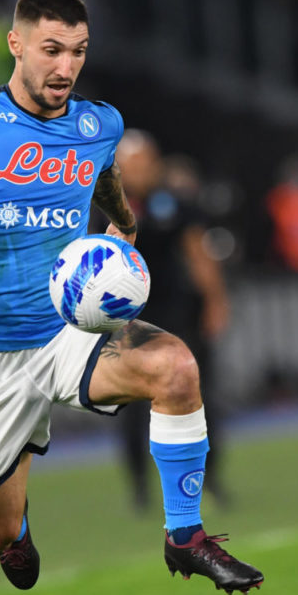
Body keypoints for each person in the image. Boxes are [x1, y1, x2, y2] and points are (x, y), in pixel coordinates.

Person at [0, 0, 262, 595]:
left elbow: (104, 169)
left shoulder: (99, 123)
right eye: (51, 50)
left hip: (65, 328)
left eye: (78, 51)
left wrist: (124, 222)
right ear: (16, 46)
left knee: (175, 368)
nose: (65, 66)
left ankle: (185, 537)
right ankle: (13, 532)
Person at [112, 130, 231, 513]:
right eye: (133, 165)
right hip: (128, 323)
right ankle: (140, 488)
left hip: (180, 317)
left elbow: (198, 254)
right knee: (131, 407)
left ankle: (209, 480)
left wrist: (215, 301)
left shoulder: (177, 204)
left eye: (147, 163)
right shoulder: (103, 207)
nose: (142, 172)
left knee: (199, 398)